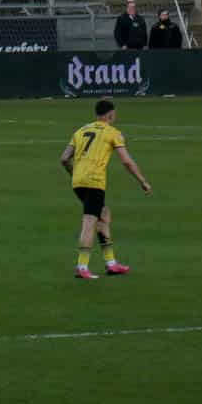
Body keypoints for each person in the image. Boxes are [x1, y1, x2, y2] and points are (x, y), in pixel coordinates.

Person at [59, 98, 151, 280]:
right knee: (89, 222)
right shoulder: (112, 133)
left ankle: (111, 263)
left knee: (104, 214)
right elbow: (126, 161)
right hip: (94, 182)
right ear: (111, 114)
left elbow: (64, 158)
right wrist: (142, 181)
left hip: (78, 181)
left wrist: (75, 174)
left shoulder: (81, 130)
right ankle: (82, 266)